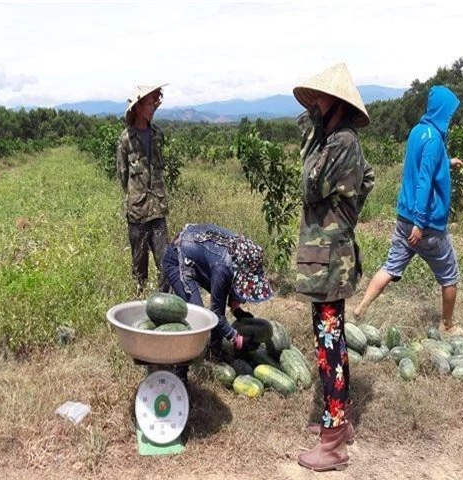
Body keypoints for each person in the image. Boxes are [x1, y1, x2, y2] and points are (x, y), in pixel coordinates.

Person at [292, 63, 375, 472]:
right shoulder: (342, 142)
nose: (315, 106)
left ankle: (334, 444)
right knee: (334, 341)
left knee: (328, 346)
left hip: (328, 262)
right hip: (328, 259)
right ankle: (338, 422)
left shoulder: (339, 142)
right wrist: (348, 211)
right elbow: (369, 178)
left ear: (338, 105)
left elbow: (308, 184)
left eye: (321, 101)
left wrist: (312, 135)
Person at [354, 85, 463, 336]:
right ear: (442, 112)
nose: (450, 118)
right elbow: (424, 180)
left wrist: (448, 163)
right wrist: (420, 222)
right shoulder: (435, 139)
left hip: (404, 218)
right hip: (426, 225)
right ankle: (447, 325)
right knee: (449, 275)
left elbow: (422, 165)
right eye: (449, 113)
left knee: (391, 267)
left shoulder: (417, 131)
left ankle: (360, 308)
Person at [162, 224, 274, 382]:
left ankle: (215, 352)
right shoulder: (223, 268)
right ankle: (180, 374)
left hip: (198, 254)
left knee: (215, 306)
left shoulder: (239, 256)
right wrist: (236, 338)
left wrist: (236, 309)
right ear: (240, 270)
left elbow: (230, 288)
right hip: (178, 257)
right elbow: (215, 314)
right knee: (196, 318)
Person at [116, 84, 170, 296]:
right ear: (138, 107)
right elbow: (123, 176)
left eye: (155, 102)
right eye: (149, 103)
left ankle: (164, 304)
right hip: (137, 213)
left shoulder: (157, 135)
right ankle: (139, 304)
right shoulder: (125, 139)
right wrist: (136, 196)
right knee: (139, 268)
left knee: (166, 263)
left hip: (158, 210)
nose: (153, 107)